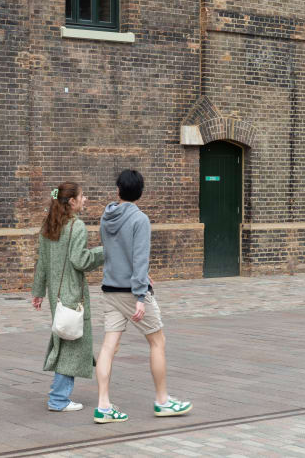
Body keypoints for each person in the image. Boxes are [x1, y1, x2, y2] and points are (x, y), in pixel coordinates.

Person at [94, 169, 192, 424]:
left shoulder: (106, 217)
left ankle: (103, 406)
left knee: (108, 346)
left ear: (118, 191)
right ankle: (162, 401)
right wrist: (140, 295)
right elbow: (139, 259)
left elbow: (112, 252)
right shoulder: (140, 219)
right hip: (131, 291)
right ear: (140, 193)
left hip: (110, 289)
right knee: (157, 342)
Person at [32, 182, 105, 412]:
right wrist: (106, 251)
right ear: (71, 201)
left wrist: (38, 292)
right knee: (71, 344)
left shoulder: (49, 226)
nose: (86, 199)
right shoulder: (77, 227)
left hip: (56, 295)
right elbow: (80, 260)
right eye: (83, 196)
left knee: (64, 340)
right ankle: (58, 398)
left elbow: (41, 263)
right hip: (73, 293)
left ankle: (59, 396)